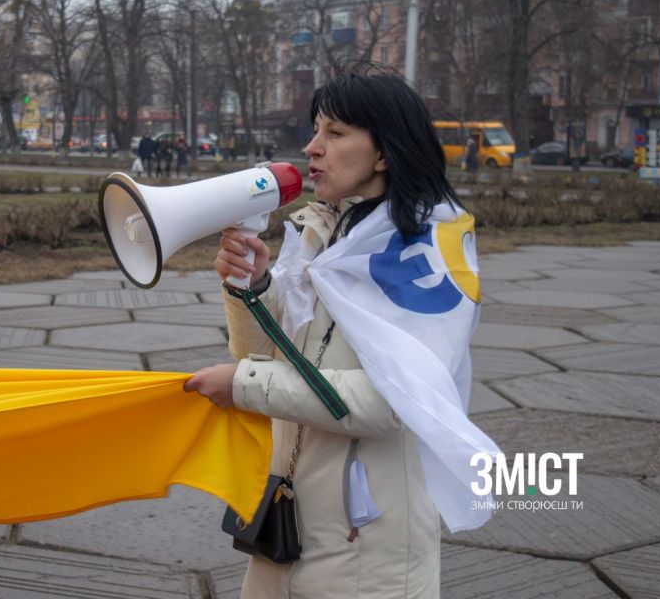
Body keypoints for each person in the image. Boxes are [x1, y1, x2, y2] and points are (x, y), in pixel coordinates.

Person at [185, 72, 496, 598]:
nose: (312, 147)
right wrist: (252, 284)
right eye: (315, 130)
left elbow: (389, 404)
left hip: (366, 553)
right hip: (287, 525)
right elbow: (270, 357)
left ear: (382, 153)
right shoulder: (326, 235)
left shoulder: (422, 257)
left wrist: (242, 385)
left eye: (335, 133)